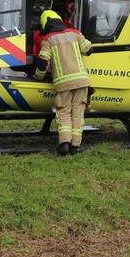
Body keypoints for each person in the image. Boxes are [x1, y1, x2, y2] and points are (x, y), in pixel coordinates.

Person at [34, 9, 93, 155]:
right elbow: (89, 49)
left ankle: (64, 143)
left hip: (63, 84)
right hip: (81, 81)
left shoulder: (48, 40)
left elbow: (42, 63)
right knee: (78, 113)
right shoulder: (75, 34)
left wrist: (38, 76)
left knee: (64, 112)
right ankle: (76, 146)